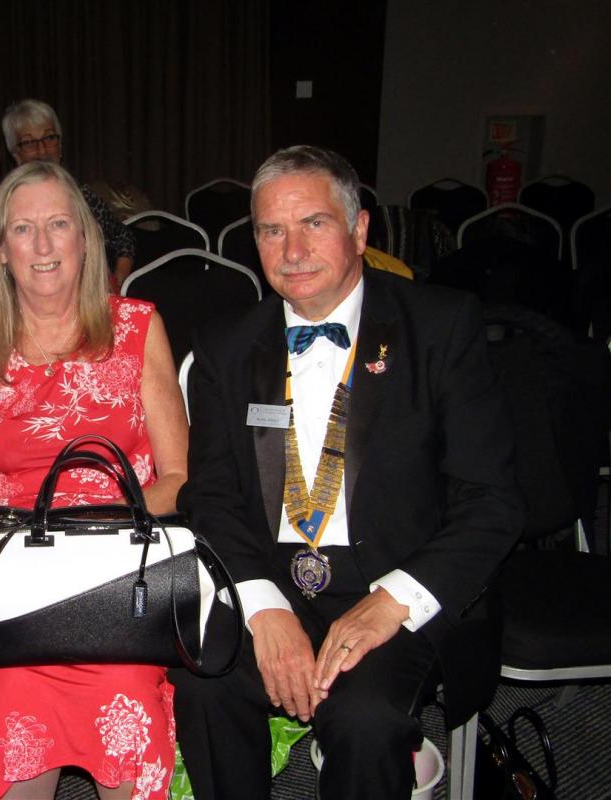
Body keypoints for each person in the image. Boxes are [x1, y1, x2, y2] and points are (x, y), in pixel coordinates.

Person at [170, 146, 523, 800]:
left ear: (360, 230)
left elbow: (493, 503)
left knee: (365, 719)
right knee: (202, 684)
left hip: (392, 576)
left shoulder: (439, 327)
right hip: (270, 573)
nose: (293, 249)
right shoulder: (225, 345)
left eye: (314, 224)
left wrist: (391, 603)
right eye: (273, 230)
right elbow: (211, 496)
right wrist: (263, 606)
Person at [0, 160, 188, 799]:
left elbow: (179, 476)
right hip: (10, 579)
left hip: (119, 573)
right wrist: (11, 564)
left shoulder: (138, 327)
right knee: (18, 694)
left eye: (59, 225)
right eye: (23, 229)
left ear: (85, 239)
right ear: (0, 249)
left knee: (128, 686)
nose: (44, 246)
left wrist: (95, 547)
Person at [2, 98, 136, 286]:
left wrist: (118, 281)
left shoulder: (84, 198)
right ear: (16, 155)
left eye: (49, 138)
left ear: (60, 145)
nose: (42, 149)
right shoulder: (7, 208)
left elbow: (122, 236)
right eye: (29, 142)